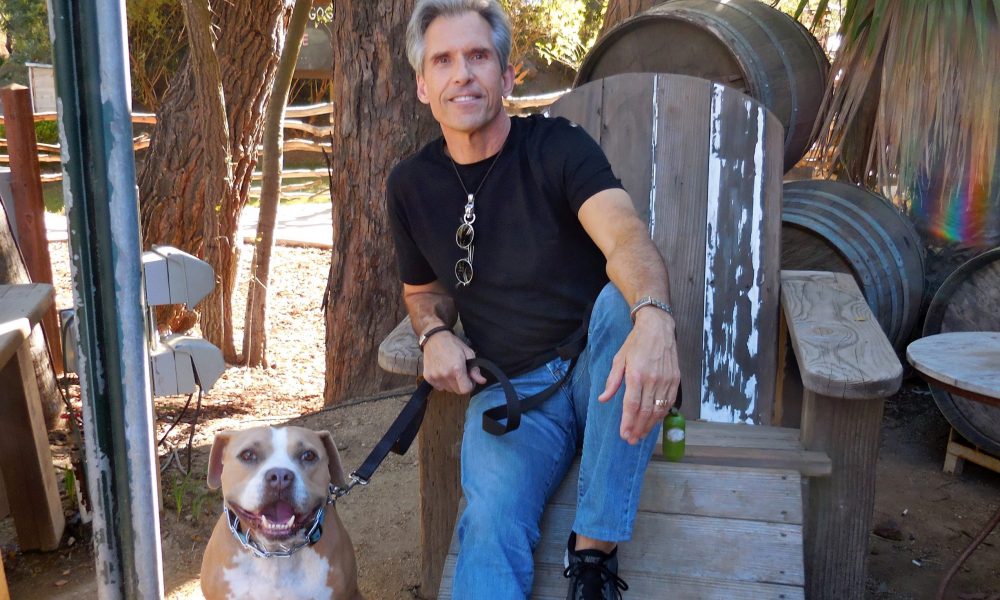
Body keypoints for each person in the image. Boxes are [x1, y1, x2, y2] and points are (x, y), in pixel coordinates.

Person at [387, 1, 680, 598]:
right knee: (489, 521)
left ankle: (593, 556)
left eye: (478, 56)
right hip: (514, 394)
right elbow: (422, 291)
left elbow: (625, 237)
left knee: (617, 303)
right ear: (422, 85)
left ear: (506, 76)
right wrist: (432, 333)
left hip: (603, 376)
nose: (462, 74)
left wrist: (654, 319)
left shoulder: (557, 147)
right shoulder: (411, 185)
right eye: (443, 60)